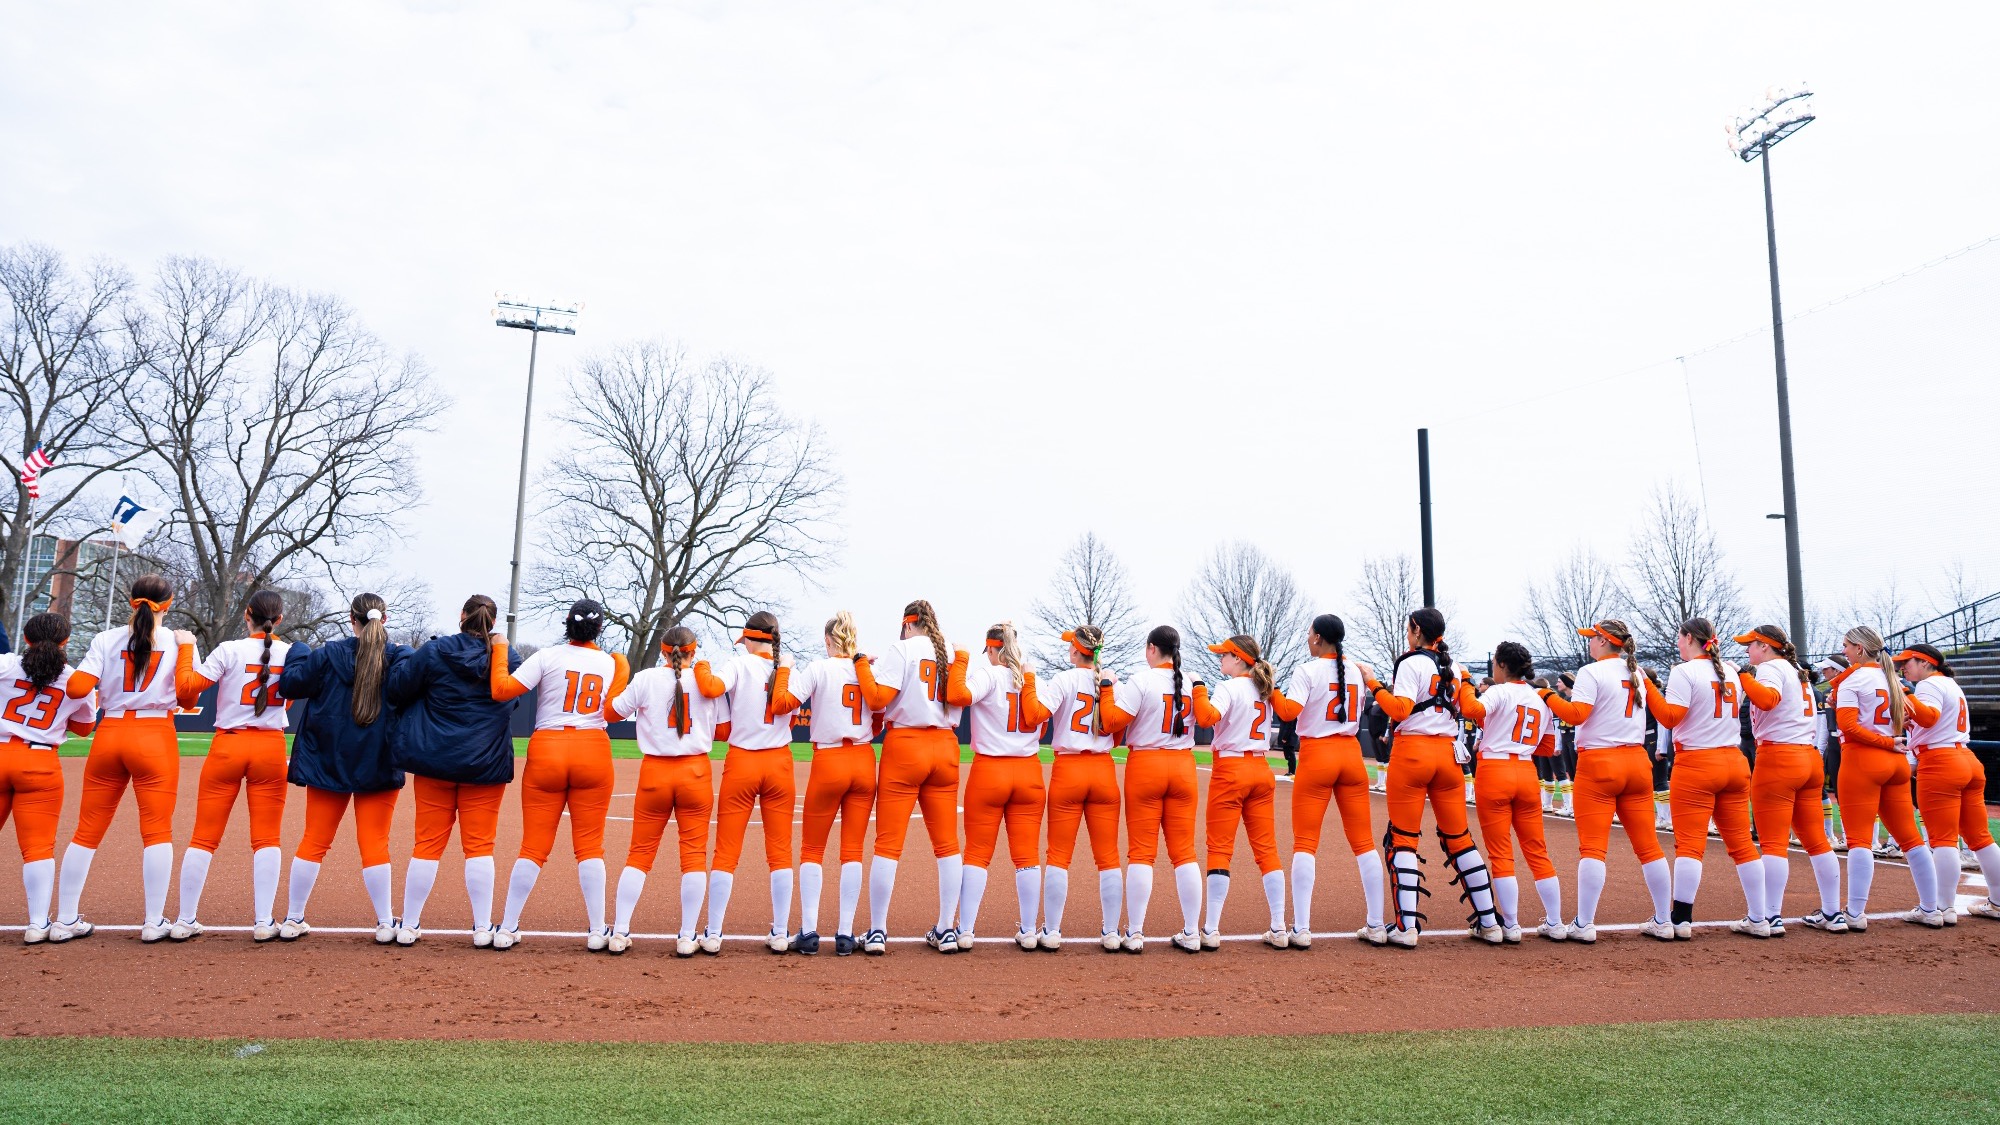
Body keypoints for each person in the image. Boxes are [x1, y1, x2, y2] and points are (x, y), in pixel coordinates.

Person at [52, 574, 199, 943]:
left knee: (86, 831)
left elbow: (76, 688)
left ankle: (64, 918)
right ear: (168, 603)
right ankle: (153, 921)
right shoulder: (179, 641)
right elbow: (188, 699)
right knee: (156, 831)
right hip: (155, 737)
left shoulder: (106, 638)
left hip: (110, 734)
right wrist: (185, 649)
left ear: (131, 601)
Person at [489, 600, 629, 950]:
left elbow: (501, 690)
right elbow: (613, 714)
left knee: (532, 847)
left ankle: (507, 927)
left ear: (567, 623)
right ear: (599, 628)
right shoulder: (611, 663)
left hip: (548, 748)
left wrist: (501, 647)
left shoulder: (548, 656)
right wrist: (622, 668)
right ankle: (598, 930)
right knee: (590, 847)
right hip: (592, 749)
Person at [383, 594, 520, 946]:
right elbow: (512, 701)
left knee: (426, 845)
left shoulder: (434, 651)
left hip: (435, 759)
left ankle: (409, 925)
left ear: (462, 616)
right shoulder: (508, 657)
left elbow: (398, 689)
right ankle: (481, 927)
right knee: (479, 847)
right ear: (492, 623)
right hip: (485, 762)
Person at [275, 592, 411, 943]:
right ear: (385, 619)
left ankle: (293, 918)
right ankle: (384, 923)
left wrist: (299, 650)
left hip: (328, 760)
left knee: (314, 840)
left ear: (352, 620)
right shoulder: (396, 657)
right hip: (377, 760)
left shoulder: (326, 655)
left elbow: (290, 684)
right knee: (375, 843)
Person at [1369, 608, 1504, 947]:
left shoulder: (1411, 662)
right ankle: (1490, 922)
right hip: (1447, 756)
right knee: (1460, 839)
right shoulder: (1455, 666)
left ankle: (1406, 927)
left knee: (1402, 839)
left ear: (1416, 630)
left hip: (1413, 753)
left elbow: (1399, 710)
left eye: (1408, 628)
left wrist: (1373, 683)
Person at [1537, 620, 1674, 942]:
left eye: (1593, 639)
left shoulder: (1592, 671)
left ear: (1603, 641)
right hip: (1637, 761)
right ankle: (1664, 920)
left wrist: (1546, 695)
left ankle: (1585, 924)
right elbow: (1667, 715)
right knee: (1649, 846)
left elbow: (1576, 715)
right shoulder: (1637, 672)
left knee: (1593, 848)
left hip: (1600, 762)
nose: (1589, 643)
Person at [170, 590, 292, 942]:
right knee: (267, 838)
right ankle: (264, 921)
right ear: (279, 619)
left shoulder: (228, 649)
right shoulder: (291, 652)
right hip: (269, 747)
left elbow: (187, 690)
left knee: (203, 837)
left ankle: (184, 919)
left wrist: (185, 648)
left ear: (247, 615)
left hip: (228, 744)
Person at [852, 599, 971, 954]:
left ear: (907, 624)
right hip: (946, 747)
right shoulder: (950, 652)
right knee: (948, 845)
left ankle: (877, 932)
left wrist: (860, 664)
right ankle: (947, 929)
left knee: (887, 844)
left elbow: (876, 699)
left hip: (905, 745)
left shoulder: (901, 648)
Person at [1643, 619, 1766, 938]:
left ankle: (1681, 920)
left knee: (1690, 845)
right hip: (1733, 761)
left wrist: (1648, 687)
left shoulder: (1685, 672)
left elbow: (1670, 717)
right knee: (1742, 844)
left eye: (1679, 638)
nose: (1678, 644)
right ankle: (1759, 917)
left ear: (1689, 638)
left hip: (1697, 762)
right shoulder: (1730, 670)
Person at [1271, 614, 1385, 947]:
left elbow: (1289, 712)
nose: (1307, 639)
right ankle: (1376, 924)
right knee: (1364, 842)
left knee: (1305, 841)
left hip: (1318, 754)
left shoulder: (1308, 670)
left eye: (1309, 634)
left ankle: (1302, 928)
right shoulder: (1356, 669)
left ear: (1319, 638)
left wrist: (1270, 689)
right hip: (1351, 755)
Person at [605, 625, 717, 956]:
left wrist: (620, 673)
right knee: (694, 856)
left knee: (638, 854)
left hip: (655, 770)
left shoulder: (646, 679)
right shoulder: (705, 681)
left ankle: (620, 930)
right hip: (695, 771)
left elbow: (611, 712)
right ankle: (686, 936)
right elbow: (723, 727)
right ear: (693, 652)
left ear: (663, 652)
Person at [694, 610, 800, 954]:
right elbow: (793, 719)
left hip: (742, 761)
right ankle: (781, 932)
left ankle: (713, 933)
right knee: (780, 852)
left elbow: (710, 687)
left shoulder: (739, 665)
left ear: (751, 639)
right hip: (779, 762)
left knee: (726, 851)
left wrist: (700, 663)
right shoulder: (788, 669)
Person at [771, 612, 876, 955]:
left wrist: (784, 668)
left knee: (813, 850)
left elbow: (783, 703)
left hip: (829, 760)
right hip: (862, 759)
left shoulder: (819, 668)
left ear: (829, 640)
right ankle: (845, 933)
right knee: (852, 852)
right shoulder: (867, 670)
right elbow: (882, 714)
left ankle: (811, 931)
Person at [1098, 625, 1204, 954]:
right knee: (1185, 853)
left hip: (1146, 766)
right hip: (1184, 766)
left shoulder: (1142, 680)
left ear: (1151, 648)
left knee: (1142, 852)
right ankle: (1191, 931)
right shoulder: (1189, 682)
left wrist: (1105, 690)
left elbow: (1112, 722)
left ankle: (1136, 932)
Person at [1734, 625, 1843, 934]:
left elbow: (1767, 700)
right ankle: (1833, 913)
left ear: (1765, 647)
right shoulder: (1797, 671)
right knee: (1817, 841)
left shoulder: (1770, 667)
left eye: (1751, 646)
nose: (1747, 651)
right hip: (1808, 758)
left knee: (1773, 843)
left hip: (1779, 758)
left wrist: (1743, 677)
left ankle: (1769, 916)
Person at [1824, 625, 1934, 930]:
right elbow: (1926, 719)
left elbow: (1848, 728)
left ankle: (1856, 914)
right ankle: (1931, 908)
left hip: (1864, 761)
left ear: (1860, 648)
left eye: (1846, 646)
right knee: (1911, 839)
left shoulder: (1855, 680)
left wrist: (1886, 740)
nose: (1843, 651)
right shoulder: (1893, 680)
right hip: (1897, 763)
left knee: (1859, 839)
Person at [1455, 641, 1565, 941]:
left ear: (1502, 665)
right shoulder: (1540, 697)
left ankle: (1512, 924)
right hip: (1526, 771)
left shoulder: (1499, 690)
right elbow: (1548, 747)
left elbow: (1470, 708)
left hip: (1495, 770)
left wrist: (1465, 681)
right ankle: (1555, 921)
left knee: (1501, 854)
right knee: (1537, 851)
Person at [948, 623, 1048, 951]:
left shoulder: (988, 675)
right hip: (1029, 772)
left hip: (990, 771)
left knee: (977, 853)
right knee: (1028, 856)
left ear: (992, 649)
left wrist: (960, 660)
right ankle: (1030, 930)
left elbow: (958, 695)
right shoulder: (1034, 680)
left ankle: (965, 930)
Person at [3, 613, 97, 942]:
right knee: (38, 848)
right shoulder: (75, 679)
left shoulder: (5, 665)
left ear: (26, 639)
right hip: (40, 760)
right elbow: (85, 729)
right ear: (65, 642)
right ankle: (37, 924)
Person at [1034, 624, 1122, 952]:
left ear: (1075, 650)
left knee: (1058, 854)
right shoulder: (1111, 681)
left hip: (1069, 769)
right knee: (1108, 856)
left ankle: (1053, 931)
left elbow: (1036, 716)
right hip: (1102, 770)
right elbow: (1119, 728)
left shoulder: (1063, 679)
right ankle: (1112, 932)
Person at [1898, 643, 2000, 922]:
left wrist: (1906, 693)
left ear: (1925, 663)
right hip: (1965, 758)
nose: (1903, 668)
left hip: (1941, 762)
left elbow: (1929, 718)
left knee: (1942, 840)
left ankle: (1942, 907)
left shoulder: (1929, 685)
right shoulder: (1949, 684)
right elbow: (1932, 721)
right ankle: (1998, 902)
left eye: (1908, 662)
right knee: (1980, 838)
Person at [1199, 633, 1287, 949]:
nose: (1220, 659)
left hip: (1231, 770)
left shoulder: (1228, 687)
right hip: (1261, 769)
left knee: (1220, 848)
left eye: (1224, 655)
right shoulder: (1265, 688)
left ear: (1238, 657)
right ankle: (1279, 926)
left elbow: (1207, 718)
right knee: (1266, 849)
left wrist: (1197, 691)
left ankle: (1210, 930)